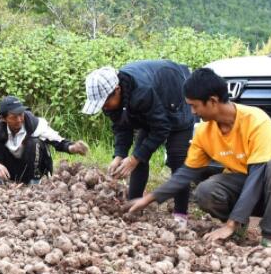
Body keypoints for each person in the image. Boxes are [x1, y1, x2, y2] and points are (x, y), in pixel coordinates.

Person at [127, 68, 271, 248]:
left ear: (212, 101)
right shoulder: (204, 132)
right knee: (206, 191)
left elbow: (257, 176)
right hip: (242, 184)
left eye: (194, 105)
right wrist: (149, 199)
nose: (193, 112)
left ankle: (269, 238)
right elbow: (185, 173)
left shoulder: (256, 120)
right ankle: (239, 226)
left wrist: (229, 224)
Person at [82, 60, 195, 226]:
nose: (104, 107)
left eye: (105, 102)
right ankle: (134, 207)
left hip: (176, 96)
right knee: (139, 155)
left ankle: (180, 215)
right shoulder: (113, 100)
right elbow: (121, 126)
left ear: (117, 90)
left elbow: (161, 128)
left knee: (177, 159)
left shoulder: (141, 92)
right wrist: (120, 154)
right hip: (154, 104)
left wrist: (135, 158)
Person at [0, 96, 88, 185]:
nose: (19, 120)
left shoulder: (34, 123)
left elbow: (58, 142)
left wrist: (73, 148)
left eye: (21, 114)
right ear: (3, 118)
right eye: (14, 117)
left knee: (35, 142)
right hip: (9, 170)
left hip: (31, 168)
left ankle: (35, 181)